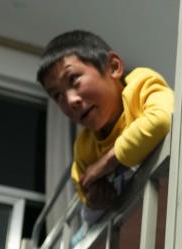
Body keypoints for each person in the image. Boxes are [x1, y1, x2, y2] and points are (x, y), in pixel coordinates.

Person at [37, 31, 173, 210]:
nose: (70, 101)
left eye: (74, 79)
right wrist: (94, 197)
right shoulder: (84, 146)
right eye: (57, 96)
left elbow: (163, 119)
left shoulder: (140, 86)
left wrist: (108, 161)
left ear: (113, 67)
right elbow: (82, 186)